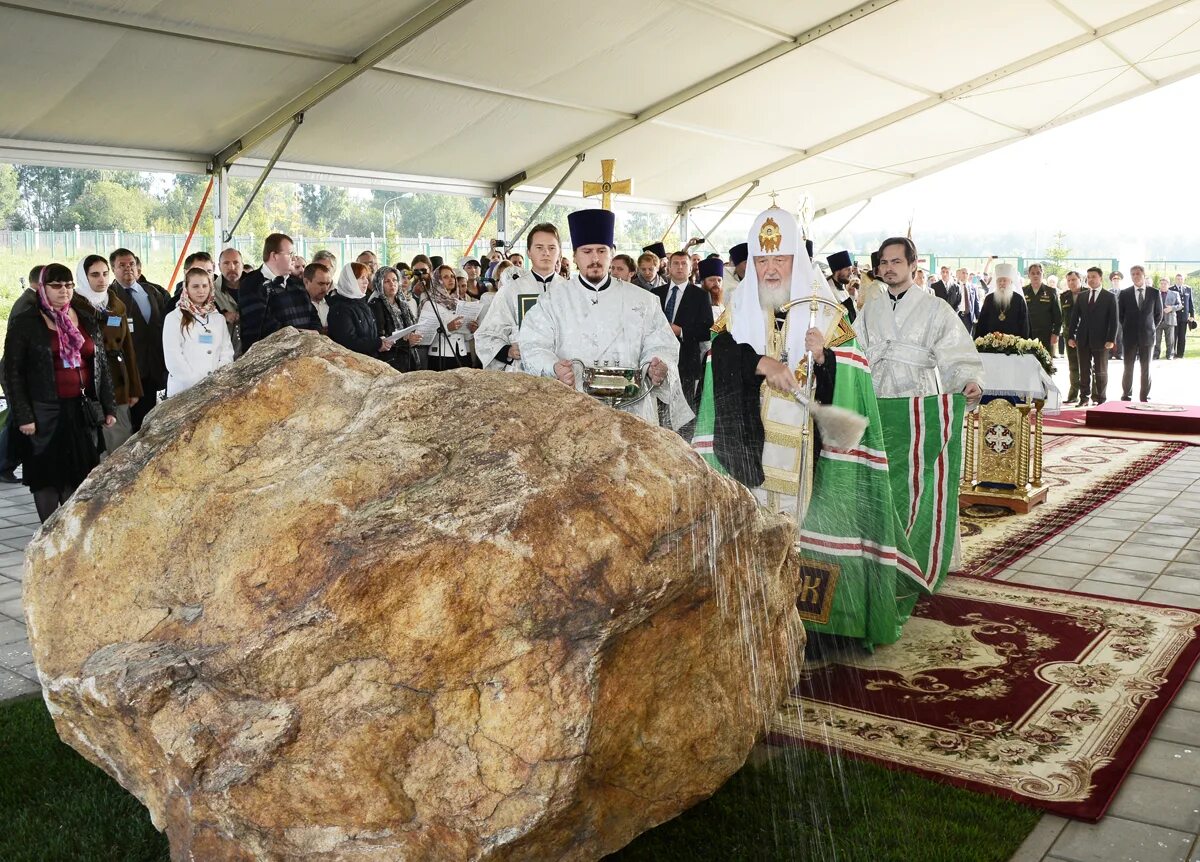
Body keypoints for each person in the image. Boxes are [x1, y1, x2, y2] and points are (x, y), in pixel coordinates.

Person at [521, 209, 691, 429]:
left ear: (612, 253)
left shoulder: (643, 301)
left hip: (634, 412)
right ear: (574, 256)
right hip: (573, 410)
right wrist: (554, 367)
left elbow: (660, 344)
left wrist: (655, 364)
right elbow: (533, 345)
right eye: (587, 251)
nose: (594, 258)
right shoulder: (553, 301)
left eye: (601, 251)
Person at [3, 264, 116, 522]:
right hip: (44, 411)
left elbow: (100, 365)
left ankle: (68, 532)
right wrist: (23, 416)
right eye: (56, 286)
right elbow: (11, 373)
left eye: (68, 285)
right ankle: (47, 533)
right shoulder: (27, 322)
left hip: (80, 409)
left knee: (78, 474)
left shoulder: (84, 317)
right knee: (47, 475)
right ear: (43, 288)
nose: (64, 291)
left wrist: (108, 406)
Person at [857, 237, 983, 404]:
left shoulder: (936, 307)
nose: (889, 268)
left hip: (920, 398)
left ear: (913, 264)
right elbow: (854, 349)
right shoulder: (870, 308)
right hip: (876, 397)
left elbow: (956, 348)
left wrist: (969, 380)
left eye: (896, 262)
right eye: (884, 262)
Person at [474, 223, 569, 371]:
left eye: (552, 248)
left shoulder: (570, 290)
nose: (546, 253)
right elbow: (486, 336)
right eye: (539, 247)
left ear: (559, 253)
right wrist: (508, 351)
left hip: (563, 371)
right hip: (522, 372)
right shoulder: (511, 290)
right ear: (529, 252)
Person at [76, 255, 141, 453]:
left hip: (118, 379)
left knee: (120, 437)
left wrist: (134, 388)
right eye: (94, 275)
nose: (101, 279)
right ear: (83, 276)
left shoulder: (116, 305)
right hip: (89, 383)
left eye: (105, 274)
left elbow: (128, 348)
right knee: (94, 442)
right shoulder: (74, 307)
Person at [653, 251, 715, 429]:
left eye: (684, 264)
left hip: (686, 363)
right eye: (676, 263)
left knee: (682, 414)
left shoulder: (700, 295)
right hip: (658, 360)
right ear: (668, 268)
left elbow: (706, 330)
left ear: (690, 269)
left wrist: (681, 331)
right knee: (658, 412)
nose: (680, 267)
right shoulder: (656, 293)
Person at [109, 247, 168, 432]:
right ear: (113, 269)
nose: (128, 268)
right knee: (131, 425)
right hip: (128, 371)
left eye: (131, 264)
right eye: (122, 265)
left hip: (153, 367)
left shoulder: (152, 292)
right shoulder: (110, 297)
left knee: (150, 420)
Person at [237, 233, 322, 352]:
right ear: (274, 256)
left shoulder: (297, 283)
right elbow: (263, 327)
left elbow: (313, 315)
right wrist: (302, 336)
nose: (294, 258)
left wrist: (315, 331)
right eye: (290, 254)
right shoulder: (251, 285)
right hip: (268, 360)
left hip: (304, 354)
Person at [162, 267, 235, 397]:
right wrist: (197, 384)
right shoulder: (173, 318)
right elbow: (174, 359)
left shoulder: (218, 318)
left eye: (205, 286)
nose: (201, 290)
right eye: (195, 286)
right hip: (183, 391)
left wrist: (216, 380)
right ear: (186, 288)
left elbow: (227, 352)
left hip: (214, 390)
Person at [1067, 267, 1118, 405]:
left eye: (1094, 276)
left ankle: (1100, 398)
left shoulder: (1109, 297)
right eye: (1088, 277)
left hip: (1102, 341)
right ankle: (1084, 398)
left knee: (1100, 371)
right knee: (1084, 370)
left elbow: (1114, 321)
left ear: (1100, 278)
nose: (1091, 279)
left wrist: (1111, 340)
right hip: (1083, 339)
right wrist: (1071, 336)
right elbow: (1074, 318)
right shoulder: (1082, 296)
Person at [1117, 265, 1162, 402]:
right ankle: (1126, 395)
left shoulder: (1154, 293)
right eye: (1133, 274)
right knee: (1128, 367)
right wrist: (1128, 327)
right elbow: (1120, 315)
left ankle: (1144, 397)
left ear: (1143, 275)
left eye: (1138, 274)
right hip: (1129, 337)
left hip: (1147, 337)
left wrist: (1149, 327)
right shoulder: (1125, 293)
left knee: (1146, 368)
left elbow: (1158, 315)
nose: (1135, 276)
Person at [327, 263, 391, 359]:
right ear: (350, 281)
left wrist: (381, 341)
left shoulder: (363, 303)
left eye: (366, 278)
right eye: (362, 278)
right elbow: (348, 342)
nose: (366, 282)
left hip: (369, 361)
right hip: (352, 365)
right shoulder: (340, 309)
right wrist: (377, 344)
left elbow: (370, 334)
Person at [416, 264, 471, 370]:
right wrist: (447, 328)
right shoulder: (429, 303)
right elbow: (423, 337)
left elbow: (467, 337)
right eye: (445, 277)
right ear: (437, 280)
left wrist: (471, 329)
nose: (451, 279)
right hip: (440, 357)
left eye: (452, 276)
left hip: (462, 354)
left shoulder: (460, 302)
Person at [368, 266, 422, 372]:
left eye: (394, 280)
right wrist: (406, 341)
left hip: (409, 359)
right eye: (387, 281)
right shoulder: (376, 305)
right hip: (390, 362)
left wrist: (414, 337)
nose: (392, 284)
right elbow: (380, 337)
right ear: (379, 284)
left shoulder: (403, 303)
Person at [974, 263, 1030, 338]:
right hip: (990, 344)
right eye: (999, 281)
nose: (1002, 283)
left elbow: (1024, 324)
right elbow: (982, 322)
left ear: (1010, 282)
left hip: (1014, 344)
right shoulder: (989, 299)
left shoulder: (1019, 299)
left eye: (1004, 280)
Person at [1022, 263, 1062, 353]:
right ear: (1028, 275)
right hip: (1027, 334)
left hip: (1046, 334)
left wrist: (1056, 333)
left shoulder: (1051, 291)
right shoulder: (1023, 291)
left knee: (1046, 363)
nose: (1035, 275)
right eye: (1033, 273)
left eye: (1038, 273)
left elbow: (1058, 316)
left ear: (1042, 274)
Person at [1060, 271, 1083, 404]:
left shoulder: (1087, 293)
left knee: (1088, 366)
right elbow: (1063, 317)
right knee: (1073, 366)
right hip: (1069, 335)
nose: (1071, 283)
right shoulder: (1064, 296)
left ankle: (1093, 395)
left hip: (1085, 334)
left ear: (1080, 280)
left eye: (1074, 280)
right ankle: (1073, 394)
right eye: (1069, 280)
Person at [216, 247, 243, 356]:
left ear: (242, 264)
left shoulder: (255, 289)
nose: (232, 267)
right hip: (223, 357)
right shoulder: (209, 293)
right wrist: (222, 317)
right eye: (226, 263)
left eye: (236, 263)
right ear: (219, 266)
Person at [825, 250, 858, 323]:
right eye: (847, 270)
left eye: (851, 270)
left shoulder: (842, 286)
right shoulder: (827, 289)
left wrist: (851, 296)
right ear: (837, 271)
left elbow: (851, 311)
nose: (850, 273)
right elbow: (838, 314)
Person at [1154, 277, 1182, 360]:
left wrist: (1172, 308)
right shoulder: (1155, 293)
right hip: (1157, 320)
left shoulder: (1174, 294)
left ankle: (1170, 355)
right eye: (1161, 284)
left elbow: (1180, 305)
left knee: (1170, 340)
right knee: (1156, 340)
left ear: (1168, 285)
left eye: (1165, 284)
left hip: (1170, 320)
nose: (1163, 285)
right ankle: (1156, 355)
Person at [302, 262, 332, 332]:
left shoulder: (333, 303)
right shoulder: (298, 306)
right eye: (321, 284)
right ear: (306, 282)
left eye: (327, 284)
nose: (325, 288)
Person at [1173, 273, 1194, 358]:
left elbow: (1190, 303)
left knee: (1182, 337)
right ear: (1175, 279)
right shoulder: (1171, 289)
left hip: (1184, 317)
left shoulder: (1188, 289)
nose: (1179, 280)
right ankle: (1172, 353)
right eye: (1178, 279)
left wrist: (1192, 315)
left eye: (1181, 279)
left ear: (1183, 280)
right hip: (1174, 317)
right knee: (1173, 336)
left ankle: (1180, 354)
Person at [1109, 271, 1125, 360]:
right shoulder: (1108, 292)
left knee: (1120, 336)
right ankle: (1109, 353)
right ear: (1112, 281)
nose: (1116, 281)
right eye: (1114, 279)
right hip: (1110, 318)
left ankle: (1120, 353)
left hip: (1120, 318)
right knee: (1110, 335)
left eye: (1118, 279)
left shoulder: (1125, 292)